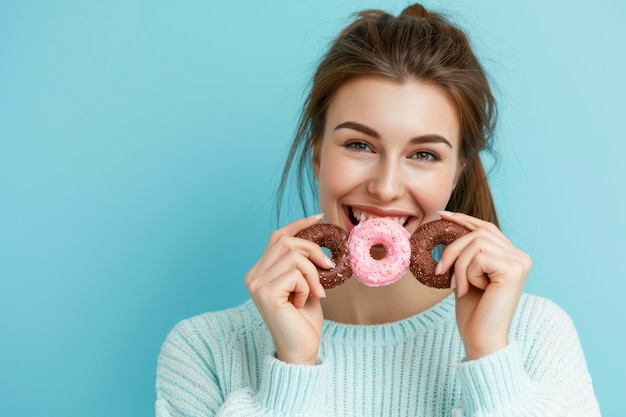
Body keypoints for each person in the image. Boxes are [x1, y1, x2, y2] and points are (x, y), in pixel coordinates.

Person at [155, 4, 600, 416]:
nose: (386, 188)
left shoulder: (536, 335)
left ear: (457, 173)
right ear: (317, 156)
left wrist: (488, 356)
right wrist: (294, 369)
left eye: (424, 154)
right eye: (359, 145)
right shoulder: (206, 349)